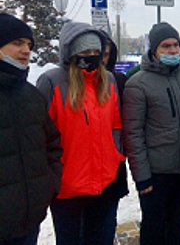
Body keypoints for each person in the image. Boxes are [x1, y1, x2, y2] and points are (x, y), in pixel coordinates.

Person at [36, 22, 124, 245]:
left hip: (103, 181)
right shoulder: (52, 82)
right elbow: (42, 135)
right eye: (85, 52)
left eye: (96, 52)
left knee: (98, 238)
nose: (92, 57)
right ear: (71, 53)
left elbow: (115, 124)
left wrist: (114, 155)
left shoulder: (108, 81)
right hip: (67, 186)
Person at [123, 22, 180, 245]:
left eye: (176, 45)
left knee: (178, 223)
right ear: (154, 50)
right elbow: (133, 134)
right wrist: (142, 176)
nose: (173, 50)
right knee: (154, 227)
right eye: (166, 46)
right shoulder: (137, 84)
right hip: (156, 173)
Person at [0, 14, 63, 245]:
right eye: (17, 43)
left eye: (29, 44)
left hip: (29, 221)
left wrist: (48, 187)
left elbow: (52, 146)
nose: (26, 50)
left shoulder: (31, 95)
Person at [100, 32, 129, 244]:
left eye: (108, 53)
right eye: (102, 52)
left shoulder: (118, 80)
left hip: (112, 162)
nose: (104, 57)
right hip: (79, 168)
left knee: (108, 220)